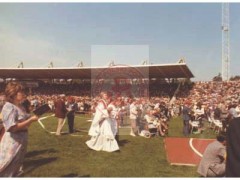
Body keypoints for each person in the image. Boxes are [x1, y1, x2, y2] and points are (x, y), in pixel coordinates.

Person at [0, 82, 39, 177]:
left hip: (21, 141)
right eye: (20, 92)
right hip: (12, 142)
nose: (23, 93)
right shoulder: (9, 107)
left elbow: (24, 124)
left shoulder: (20, 107)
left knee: (15, 169)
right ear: (13, 94)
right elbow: (11, 128)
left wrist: (30, 120)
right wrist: (30, 120)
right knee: (6, 167)